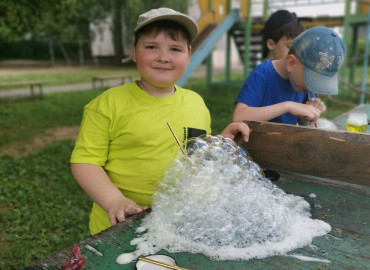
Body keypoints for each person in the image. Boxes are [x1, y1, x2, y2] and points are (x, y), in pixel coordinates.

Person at [70, 7, 250, 235]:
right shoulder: (107, 105)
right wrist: (114, 201)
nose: (163, 57)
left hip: (179, 222)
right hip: (121, 227)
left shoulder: (196, 103)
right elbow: (85, 162)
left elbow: (194, 153)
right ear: (134, 52)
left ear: (188, 55)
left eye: (175, 49)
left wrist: (219, 141)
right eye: (151, 47)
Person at [233, 26, 346, 125]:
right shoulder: (263, 75)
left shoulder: (302, 85)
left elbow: (301, 120)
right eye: (311, 80)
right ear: (291, 63)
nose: (312, 88)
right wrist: (287, 106)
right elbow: (239, 117)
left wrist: (310, 112)